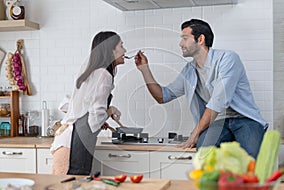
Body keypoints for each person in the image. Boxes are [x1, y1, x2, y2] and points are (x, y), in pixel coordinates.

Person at [134, 19, 268, 159]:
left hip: (245, 119)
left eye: (185, 38)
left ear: (200, 39)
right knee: (204, 150)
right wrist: (144, 69)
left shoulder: (228, 59)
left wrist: (195, 133)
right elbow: (162, 96)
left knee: (251, 155)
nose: (181, 44)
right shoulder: (189, 71)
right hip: (218, 123)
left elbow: (218, 101)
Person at [50, 31, 127, 175]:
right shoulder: (103, 74)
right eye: (121, 46)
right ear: (111, 50)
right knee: (70, 189)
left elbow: (84, 110)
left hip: (66, 138)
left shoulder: (94, 72)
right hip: (74, 142)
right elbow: (96, 115)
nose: (125, 50)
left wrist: (101, 117)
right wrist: (110, 111)